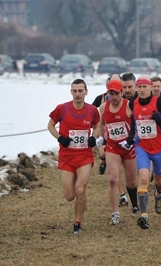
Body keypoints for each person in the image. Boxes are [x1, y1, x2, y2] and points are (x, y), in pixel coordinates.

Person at [47, 79, 100, 234]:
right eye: (75, 91)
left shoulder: (92, 110)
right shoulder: (62, 108)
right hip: (67, 156)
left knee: (80, 189)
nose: (78, 94)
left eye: (80, 91)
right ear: (71, 92)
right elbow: (50, 125)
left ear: (86, 91)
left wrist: (93, 138)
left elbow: (97, 125)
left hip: (84, 155)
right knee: (70, 195)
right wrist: (59, 138)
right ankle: (81, 200)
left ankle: (77, 223)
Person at [129, 75, 161, 229]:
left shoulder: (160, 102)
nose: (142, 90)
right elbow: (133, 123)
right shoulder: (133, 103)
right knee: (143, 179)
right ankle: (144, 215)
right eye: (139, 87)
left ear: (151, 88)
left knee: (159, 182)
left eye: (145, 87)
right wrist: (130, 137)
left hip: (160, 148)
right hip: (142, 147)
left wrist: (160, 121)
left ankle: (158, 195)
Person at [99, 79, 139, 225]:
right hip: (113, 147)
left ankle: (135, 205)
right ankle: (115, 212)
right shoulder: (103, 107)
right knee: (112, 179)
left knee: (131, 182)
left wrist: (131, 139)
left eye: (117, 94)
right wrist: (104, 137)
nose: (114, 97)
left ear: (122, 93)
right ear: (107, 93)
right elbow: (102, 123)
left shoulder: (129, 106)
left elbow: (136, 124)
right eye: (111, 94)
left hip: (128, 148)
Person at [92, 75, 121, 176]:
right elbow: (91, 111)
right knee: (102, 153)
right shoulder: (101, 98)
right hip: (105, 130)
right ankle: (104, 162)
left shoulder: (123, 97)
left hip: (120, 131)